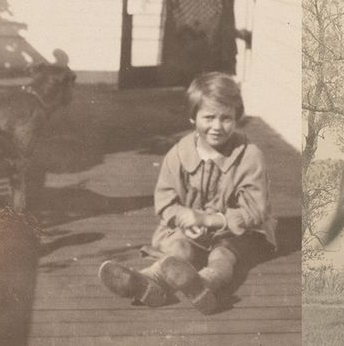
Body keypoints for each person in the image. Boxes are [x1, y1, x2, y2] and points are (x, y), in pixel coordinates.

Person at [98, 72, 275, 314]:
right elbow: (165, 200)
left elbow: (257, 209)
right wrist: (183, 216)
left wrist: (211, 219)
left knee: (223, 256)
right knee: (178, 249)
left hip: (237, 232)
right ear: (193, 117)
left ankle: (204, 284)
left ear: (237, 117)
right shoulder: (179, 154)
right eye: (209, 117)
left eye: (226, 118)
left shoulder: (249, 156)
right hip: (191, 230)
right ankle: (143, 282)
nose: (217, 126)